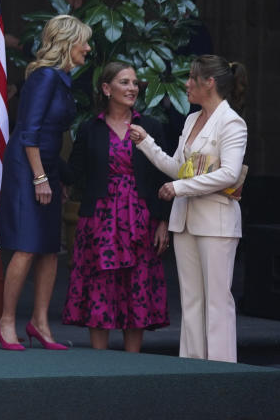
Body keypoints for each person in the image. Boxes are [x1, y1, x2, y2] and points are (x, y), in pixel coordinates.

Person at [129, 55, 248, 362]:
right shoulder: (192, 119)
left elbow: (230, 174)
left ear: (210, 83)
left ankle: (222, 370)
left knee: (217, 301)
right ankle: (193, 369)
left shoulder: (232, 122)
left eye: (192, 79)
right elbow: (180, 168)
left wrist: (179, 188)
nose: (187, 84)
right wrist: (147, 144)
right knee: (192, 300)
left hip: (216, 221)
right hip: (186, 221)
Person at [0, 14, 91, 351]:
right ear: (67, 43)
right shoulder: (44, 78)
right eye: (84, 42)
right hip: (28, 169)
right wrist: (39, 178)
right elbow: (30, 133)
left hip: (46, 169)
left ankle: (39, 323)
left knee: (49, 247)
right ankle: (7, 321)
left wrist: (56, 178)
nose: (88, 48)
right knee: (27, 245)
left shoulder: (60, 78)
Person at [62, 62, 171, 351]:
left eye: (135, 83)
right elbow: (74, 173)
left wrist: (163, 222)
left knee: (137, 286)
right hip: (99, 221)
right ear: (107, 88)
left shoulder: (151, 126)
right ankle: (99, 362)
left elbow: (163, 176)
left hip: (141, 219)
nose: (132, 88)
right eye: (124, 82)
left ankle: (132, 361)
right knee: (100, 285)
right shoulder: (89, 128)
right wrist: (41, 149)